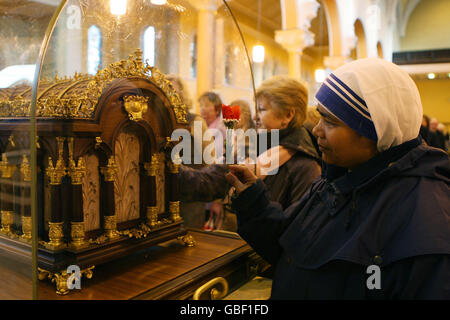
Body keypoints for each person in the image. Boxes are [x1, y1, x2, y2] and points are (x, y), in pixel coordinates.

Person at [226, 58, 450, 299]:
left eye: (330, 122)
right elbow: (290, 249)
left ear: (376, 131)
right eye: (320, 118)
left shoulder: (425, 220)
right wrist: (253, 199)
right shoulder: (335, 180)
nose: (316, 130)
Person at [167, 75, 209, 228]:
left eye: (172, 91)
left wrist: (214, 200)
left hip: (190, 193)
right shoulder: (156, 119)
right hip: (164, 194)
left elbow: (208, 159)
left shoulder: (194, 120)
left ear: (181, 94)